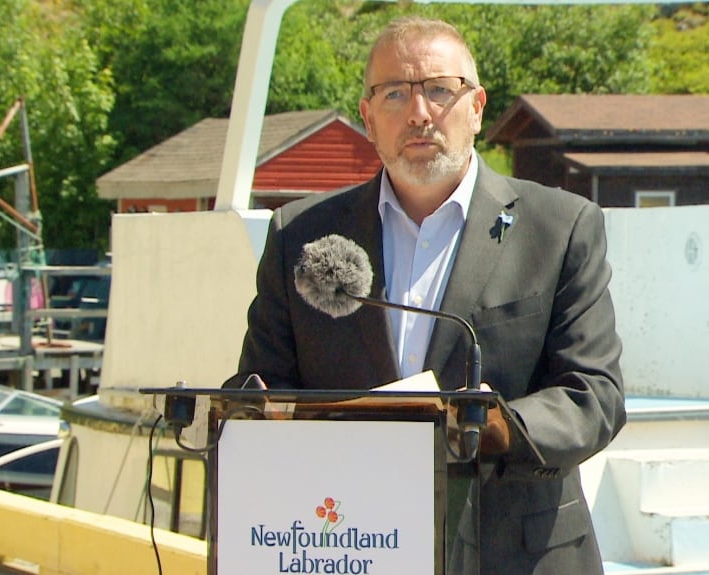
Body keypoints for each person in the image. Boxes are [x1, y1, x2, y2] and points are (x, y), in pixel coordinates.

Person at [225, 15, 625, 575]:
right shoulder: (301, 235)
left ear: (478, 107)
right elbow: (259, 382)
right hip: (348, 546)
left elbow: (594, 396)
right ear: (368, 118)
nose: (419, 114)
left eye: (440, 90)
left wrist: (500, 425)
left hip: (518, 554)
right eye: (394, 94)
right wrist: (253, 410)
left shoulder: (561, 228)